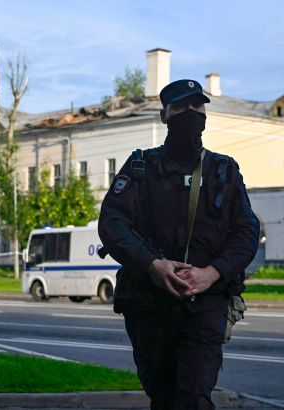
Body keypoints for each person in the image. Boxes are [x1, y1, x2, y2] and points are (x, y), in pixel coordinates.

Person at [98, 79, 259, 409]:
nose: (190, 113)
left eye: (196, 107)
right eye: (181, 107)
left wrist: (213, 273)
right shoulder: (142, 166)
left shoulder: (224, 171)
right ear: (164, 116)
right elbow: (112, 223)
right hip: (148, 304)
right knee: (163, 395)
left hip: (206, 303)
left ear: (205, 114)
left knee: (193, 397)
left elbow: (246, 232)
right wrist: (153, 265)